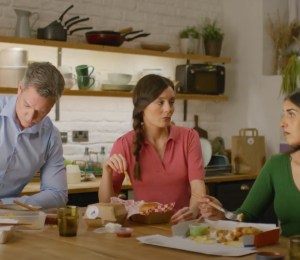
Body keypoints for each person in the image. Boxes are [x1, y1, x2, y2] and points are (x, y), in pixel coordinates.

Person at [98, 74, 206, 223]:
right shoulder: (124, 143)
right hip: (143, 229)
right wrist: (107, 171)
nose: (168, 109)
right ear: (143, 106)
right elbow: (107, 204)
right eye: (160, 102)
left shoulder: (189, 137)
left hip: (183, 226)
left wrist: (192, 212)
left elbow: (198, 188)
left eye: (171, 102)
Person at [199, 90, 300, 237]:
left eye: (291, 114)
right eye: (283, 114)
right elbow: (246, 215)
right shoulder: (276, 165)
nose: (282, 123)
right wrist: (222, 214)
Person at [0, 62, 68, 209]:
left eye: (41, 112)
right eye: (27, 105)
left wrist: (6, 204)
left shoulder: (50, 136)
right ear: (19, 89)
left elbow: (57, 193)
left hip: (10, 216)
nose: (30, 117)